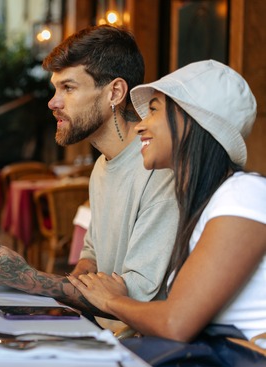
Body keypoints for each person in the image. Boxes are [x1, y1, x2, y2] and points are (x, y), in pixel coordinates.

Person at [0, 25, 178, 318]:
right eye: (55, 88)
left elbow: (135, 296)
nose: (53, 102)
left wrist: (25, 277)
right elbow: (91, 259)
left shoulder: (160, 170)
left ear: (115, 92)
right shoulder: (102, 166)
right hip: (98, 329)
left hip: (140, 348)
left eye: (68, 88)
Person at [67, 60, 265, 345]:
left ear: (193, 120)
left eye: (154, 110)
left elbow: (175, 323)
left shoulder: (243, 195)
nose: (140, 126)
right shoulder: (204, 203)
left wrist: (111, 300)